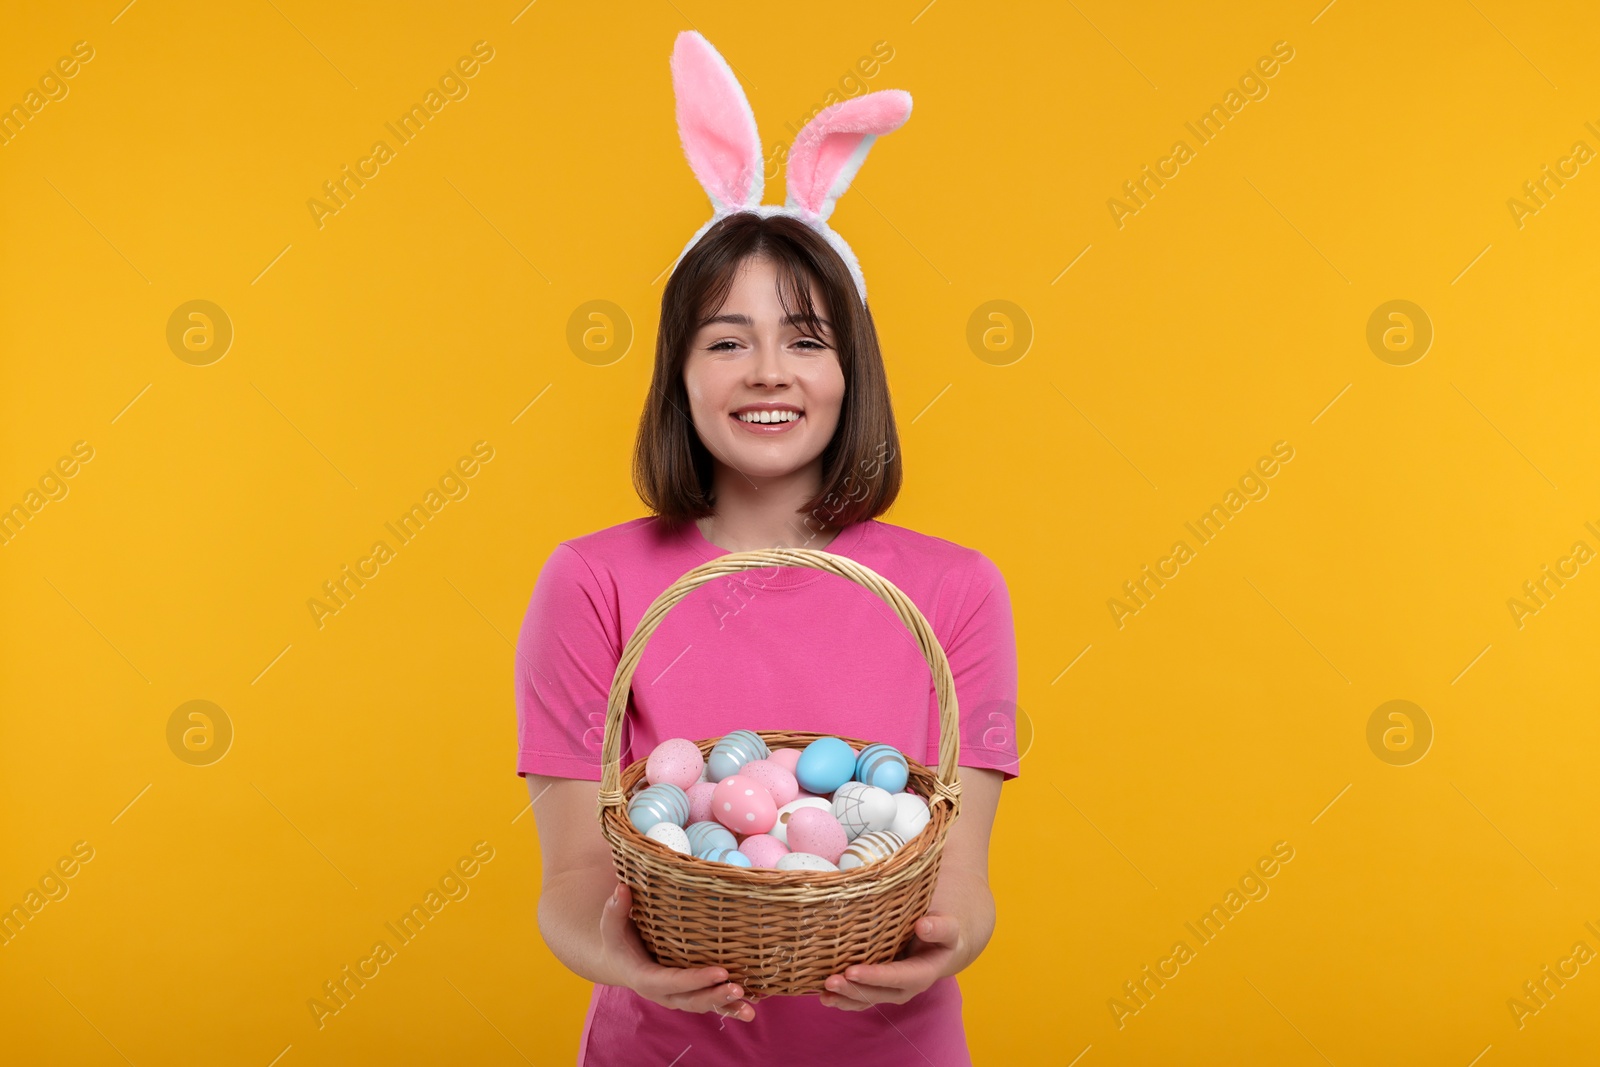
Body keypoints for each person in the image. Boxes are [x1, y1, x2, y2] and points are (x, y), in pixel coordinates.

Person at [514, 31, 1019, 1065]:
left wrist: (947, 938)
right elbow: (570, 881)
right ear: (680, 373)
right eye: (725, 339)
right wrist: (621, 951)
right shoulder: (593, 582)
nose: (766, 373)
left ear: (851, 370)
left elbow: (961, 882)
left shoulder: (954, 590)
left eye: (804, 338)